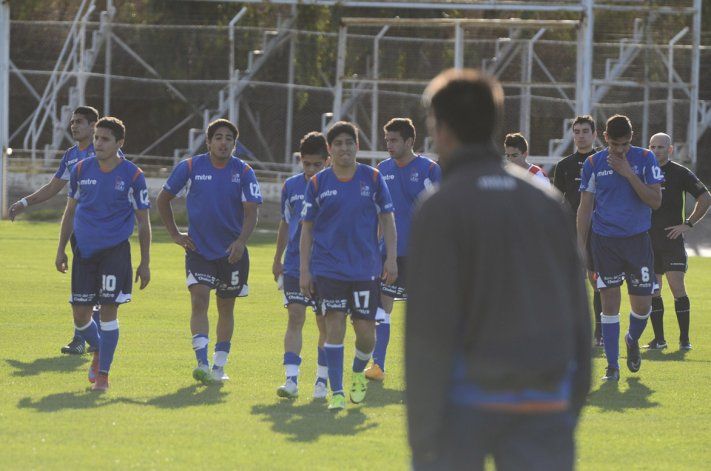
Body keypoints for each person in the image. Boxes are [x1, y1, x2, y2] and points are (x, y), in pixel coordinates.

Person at [406, 68, 591, 471]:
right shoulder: (546, 201)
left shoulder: (440, 206)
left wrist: (422, 437)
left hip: (462, 407)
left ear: (443, 129)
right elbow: (579, 313)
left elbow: (426, 329)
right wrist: (567, 406)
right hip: (543, 402)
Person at [299, 121, 397, 411]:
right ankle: (337, 391)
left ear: (357, 146)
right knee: (334, 326)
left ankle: (357, 372)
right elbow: (306, 229)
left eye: (349, 143)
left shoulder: (374, 178)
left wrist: (390, 258)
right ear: (330, 149)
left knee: (366, 333)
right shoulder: (318, 183)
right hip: (328, 268)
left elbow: (388, 221)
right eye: (338, 143)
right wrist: (304, 270)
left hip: (365, 268)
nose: (344, 148)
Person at [157, 119, 262, 384]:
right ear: (208, 141)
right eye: (218, 137)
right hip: (199, 250)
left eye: (228, 138)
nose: (223, 142)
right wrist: (174, 234)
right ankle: (201, 361)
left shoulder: (244, 171)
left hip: (232, 253)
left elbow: (252, 212)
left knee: (226, 307)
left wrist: (240, 242)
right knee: (199, 298)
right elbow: (163, 199)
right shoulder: (191, 167)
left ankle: (219, 365)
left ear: (234, 145)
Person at [55, 116, 151, 391]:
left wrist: (145, 262)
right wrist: (61, 248)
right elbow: (70, 211)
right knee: (80, 315)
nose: (98, 143)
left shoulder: (133, 175)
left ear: (119, 143)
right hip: (84, 252)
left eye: (105, 139)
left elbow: (144, 222)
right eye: (96, 137)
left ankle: (104, 376)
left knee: (109, 311)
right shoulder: (81, 170)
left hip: (115, 252)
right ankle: (99, 349)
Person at [11, 106, 105, 355]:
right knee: (83, 286)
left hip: (106, 230)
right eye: (72, 122)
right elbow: (53, 187)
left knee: (97, 288)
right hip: (80, 229)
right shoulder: (72, 155)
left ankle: (92, 338)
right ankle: (83, 337)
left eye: (80, 122)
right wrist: (24, 202)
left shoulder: (107, 151)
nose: (73, 126)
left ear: (94, 125)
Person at [578, 114, 663, 382]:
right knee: (609, 304)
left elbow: (655, 201)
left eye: (625, 144)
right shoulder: (593, 163)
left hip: (638, 242)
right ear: (605, 139)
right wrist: (580, 246)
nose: (620, 150)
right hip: (605, 244)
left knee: (643, 307)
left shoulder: (646, 158)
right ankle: (612, 367)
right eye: (615, 145)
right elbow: (585, 208)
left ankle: (631, 338)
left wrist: (628, 173)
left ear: (631, 138)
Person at [364, 118, 441, 381]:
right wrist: (374, 249)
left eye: (394, 140)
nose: (389, 145)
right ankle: (378, 366)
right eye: (387, 140)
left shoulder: (430, 170)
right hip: (390, 254)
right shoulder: (381, 170)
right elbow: (378, 214)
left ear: (409, 142)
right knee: (382, 309)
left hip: (424, 255)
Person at [273, 132, 330, 399]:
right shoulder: (291, 186)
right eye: (306, 164)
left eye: (316, 164)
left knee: (324, 325)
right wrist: (277, 258)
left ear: (327, 161)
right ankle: (291, 380)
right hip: (295, 264)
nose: (310, 170)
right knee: (295, 317)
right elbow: (286, 222)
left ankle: (321, 380)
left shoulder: (337, 185)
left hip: (327, 267)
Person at [644, 132, 711, 350]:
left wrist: (688, 224)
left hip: (672, 241)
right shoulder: (642, 172)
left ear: (670, 149)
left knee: (676, 287)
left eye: (661, 147)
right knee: (653, 290)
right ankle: (659, 340)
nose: (656, 151)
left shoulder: (680, 173)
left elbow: (705, 198)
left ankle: (684, 340)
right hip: (648, 241)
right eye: (653, 147)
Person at [553, 115, 604, 346]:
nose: (580, 135)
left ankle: (600, 335)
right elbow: (558, 201)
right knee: (571, 281)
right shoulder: (564, 166)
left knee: (597, 283)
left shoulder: (605, 161)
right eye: (577, 131)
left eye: (585, 131)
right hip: (570, 232)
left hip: (600, 231)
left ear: (594, 134)